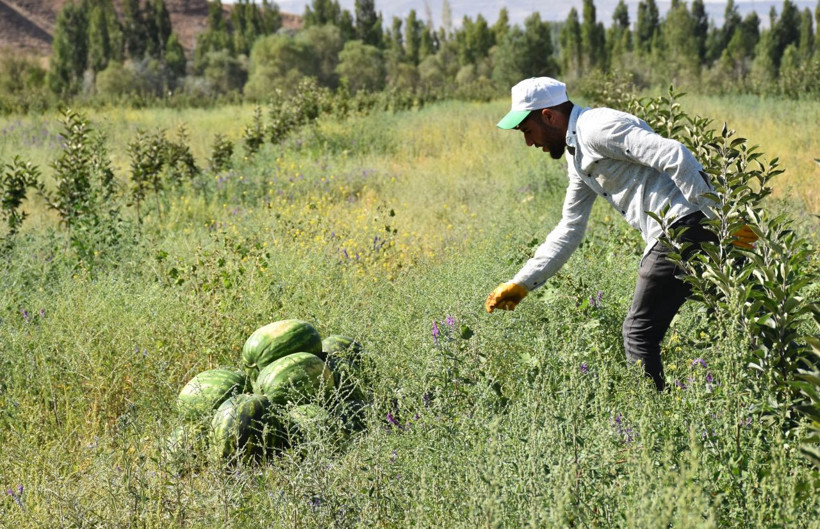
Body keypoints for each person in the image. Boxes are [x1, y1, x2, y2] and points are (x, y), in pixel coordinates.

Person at [484, 77, 756, 391]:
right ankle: (781, 387)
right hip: (693, 227)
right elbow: (569, 229)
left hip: (679, 229)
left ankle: (652, 420)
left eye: (527, 131)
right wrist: (521, 284)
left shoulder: (596, 127)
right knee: (743, 313)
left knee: (638, 332)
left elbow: (675, 155)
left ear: (548, 116)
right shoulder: (578, 156)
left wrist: (724, 222)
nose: (530, 143)